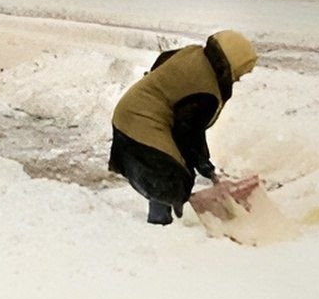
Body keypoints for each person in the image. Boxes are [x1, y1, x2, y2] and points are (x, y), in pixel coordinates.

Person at [108, 30, 258, 225]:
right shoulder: (207, 91)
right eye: (238, 73)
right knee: (170, 175)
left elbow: (164, 59)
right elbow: (188, 131)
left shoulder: (194, 54)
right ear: (230, 65)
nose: (237, 79)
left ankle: (163, 220)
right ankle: (159, 224)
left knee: (178, 166)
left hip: (132, 109)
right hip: (142, 120)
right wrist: (204, 164)